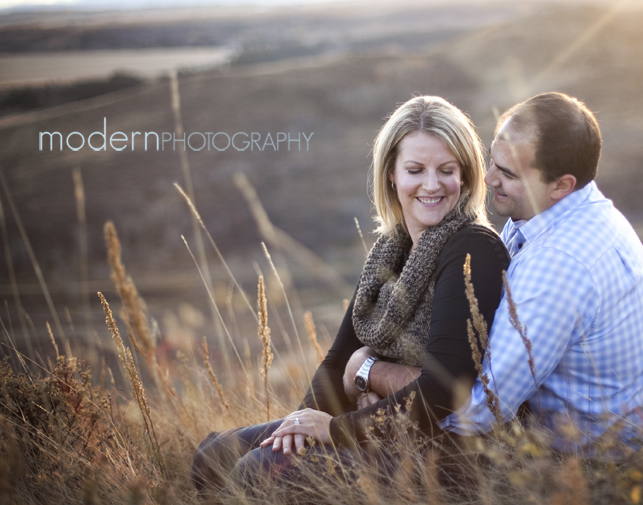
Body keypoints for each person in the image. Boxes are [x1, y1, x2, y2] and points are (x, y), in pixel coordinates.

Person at [191, 96, 510, 496]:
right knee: (212, 458)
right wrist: (303, 423)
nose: (432, 185)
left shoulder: (470, 249)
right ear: (391, 174)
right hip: (380, 427)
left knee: (257, 472)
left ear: (465, 176)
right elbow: (337, 359)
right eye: (415, 170)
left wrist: (338, 427)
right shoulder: (392, 249)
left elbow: (445, 388)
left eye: (446, 170)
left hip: (446, 453)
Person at [440, 92, 643, 452]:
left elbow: (481, 409)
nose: (489, 178)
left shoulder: (557, 262)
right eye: (492, 161)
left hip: (607, 464)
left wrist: (377, 380)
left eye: (507, 173)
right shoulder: (571, 209)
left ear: (561, 185)